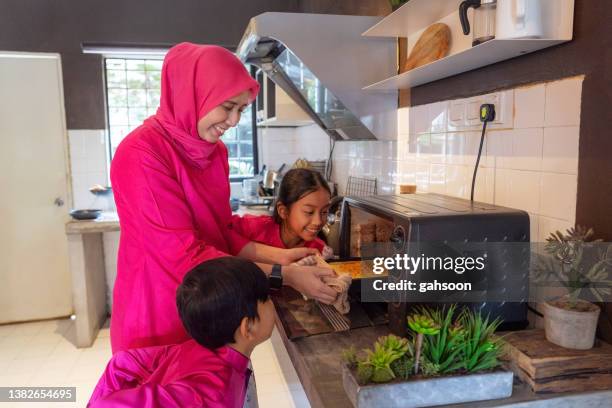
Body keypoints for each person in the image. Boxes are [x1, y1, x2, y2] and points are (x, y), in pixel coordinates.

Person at [110, 42, 337, 353]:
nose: (233, 122)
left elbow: (220, 234)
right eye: (227, 106)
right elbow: (184, 258)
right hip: (161, 312)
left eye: (241, 110)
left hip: (217, 309)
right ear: (192, 95)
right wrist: (286, 276)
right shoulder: (141, 154)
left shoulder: (215, 153)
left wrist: (280, 256)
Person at [89, 257, 273, 408]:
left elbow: (121, 362)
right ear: (248, 327)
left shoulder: (194, 348)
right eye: (267, 299)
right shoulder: (211, 395)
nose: (273, 304)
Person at [231, 168, 334, 258]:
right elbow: (220, 231)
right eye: (309, 212)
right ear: (283, 211)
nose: (318, 221)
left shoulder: (318, 250)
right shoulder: (253, 228)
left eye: (324, 212)